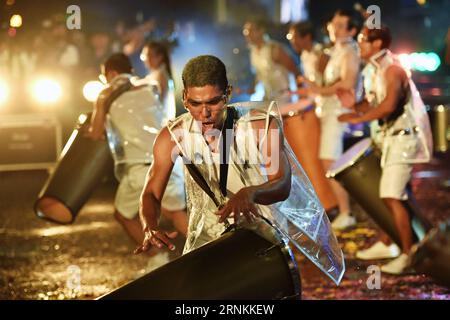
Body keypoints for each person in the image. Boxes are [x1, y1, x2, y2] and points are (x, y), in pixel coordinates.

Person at [135, 55, 345, 286]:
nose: (205, 113)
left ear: (228, 95)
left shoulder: (259, 126)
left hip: (260, 230)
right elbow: (151, 193)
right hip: (207, 231)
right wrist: (149, 226)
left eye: (213, 102)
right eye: (195, 103)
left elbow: (282, 183)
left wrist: (250, 193)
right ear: (184, 98)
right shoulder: (173, 136)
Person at [337, 26, 432, 274]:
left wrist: (359, 117)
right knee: (397, 195)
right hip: (391, 141)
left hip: (403, 141)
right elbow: (374, 103)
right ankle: (392, 242)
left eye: (363, 41)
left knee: (391, 195)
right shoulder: (375, 71)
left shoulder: (393, 70)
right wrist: (354, 107)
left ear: (378, 43)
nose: (359, 46)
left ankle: (408, 254)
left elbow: (388, 106)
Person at [87, 53, 188, 269]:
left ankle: (157, 259)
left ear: (111, 74)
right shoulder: (149, 87)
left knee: (122, 215)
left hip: (138, 166)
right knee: (175, 212)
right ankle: (209, 248)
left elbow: (95, 134)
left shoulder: (105, 94)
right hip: (167, 158)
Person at [300, 9, 363, 230]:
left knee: (330, 162)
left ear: (352, 30)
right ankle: (344, 209)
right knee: (330, 162)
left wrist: (319, 89)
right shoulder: (336, 51)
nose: (333, 30)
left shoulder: (349, 52)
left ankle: (346, 212)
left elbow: (347, 83)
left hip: (339, 115)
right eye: (332, 25)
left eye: (339, 26)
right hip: (329, 113)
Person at [285, 21, 338, 214]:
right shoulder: (305, 55)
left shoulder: (320, 54)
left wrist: (310, 94)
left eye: (294, 38)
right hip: (315, 108)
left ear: (306, 37)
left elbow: (326, 86)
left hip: (325, 111)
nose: (292, 43)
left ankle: (333, 202)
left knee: (323, 158)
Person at [243, 19, 299, 104]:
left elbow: (295, 71)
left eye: (250, 30)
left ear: (261, 31)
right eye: (245, 31)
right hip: (268, 98)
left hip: (284, 98)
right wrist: (252, 88)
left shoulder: (274, 49)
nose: (247, 33)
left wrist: (300, 95)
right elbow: (259, 74)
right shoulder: (253, 51)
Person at [138, 41, 176, 122]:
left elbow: (160, 103)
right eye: (144, 56)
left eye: (149, 56)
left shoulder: (160, 75)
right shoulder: (159, 73)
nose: (146, 60)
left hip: (160, 123)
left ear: (160, 57)